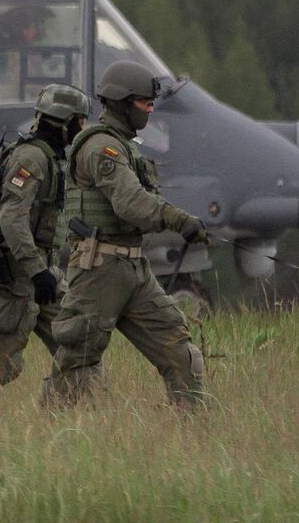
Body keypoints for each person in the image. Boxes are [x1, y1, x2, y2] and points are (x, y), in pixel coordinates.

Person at [43, 60, 209, 409]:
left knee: (180, 352)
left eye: (151, 103)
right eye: (144, 102)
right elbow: (131, 203)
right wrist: (179, 220)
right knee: (77, 360)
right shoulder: (100, 148)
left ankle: (194, 436)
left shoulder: (123, 147)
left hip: (134, 269)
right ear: (120, 102)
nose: (150, 109)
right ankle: (45, 437)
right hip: (99, 270)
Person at [0, 82, 86, 394]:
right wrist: (36, 270)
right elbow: (11, 217)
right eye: (79, 122)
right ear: (63, 122)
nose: (82, 128)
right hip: (19, 274)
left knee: (78, 342)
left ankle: (75, 410)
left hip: (42, 272)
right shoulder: (31, 159)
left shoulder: (51, 158)